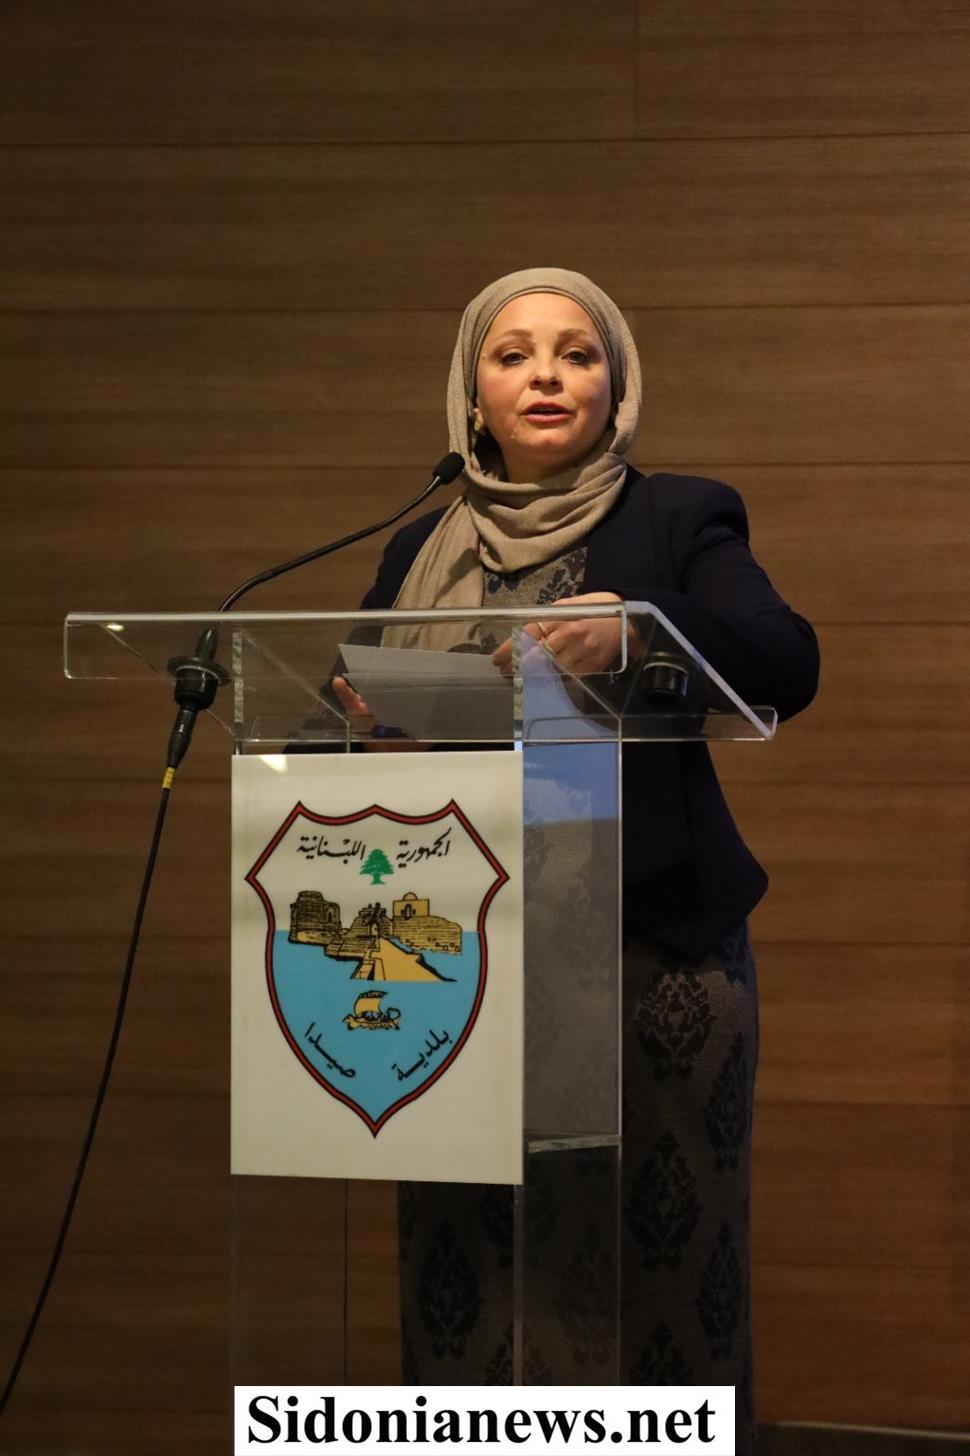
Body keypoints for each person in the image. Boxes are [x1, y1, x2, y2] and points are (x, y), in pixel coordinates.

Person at [334, 268, 819, 1451]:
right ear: (472, 394)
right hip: (453, 965)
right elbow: (337, 699)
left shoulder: (678, 518)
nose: (545, 375)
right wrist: (363, 729)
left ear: (616, 385)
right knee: (467, 1281)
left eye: (576, 353)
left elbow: (783, 657)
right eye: (512, 354)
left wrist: (637, 623)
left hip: (646, 965)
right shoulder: (416, 545)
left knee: (650, 1291)